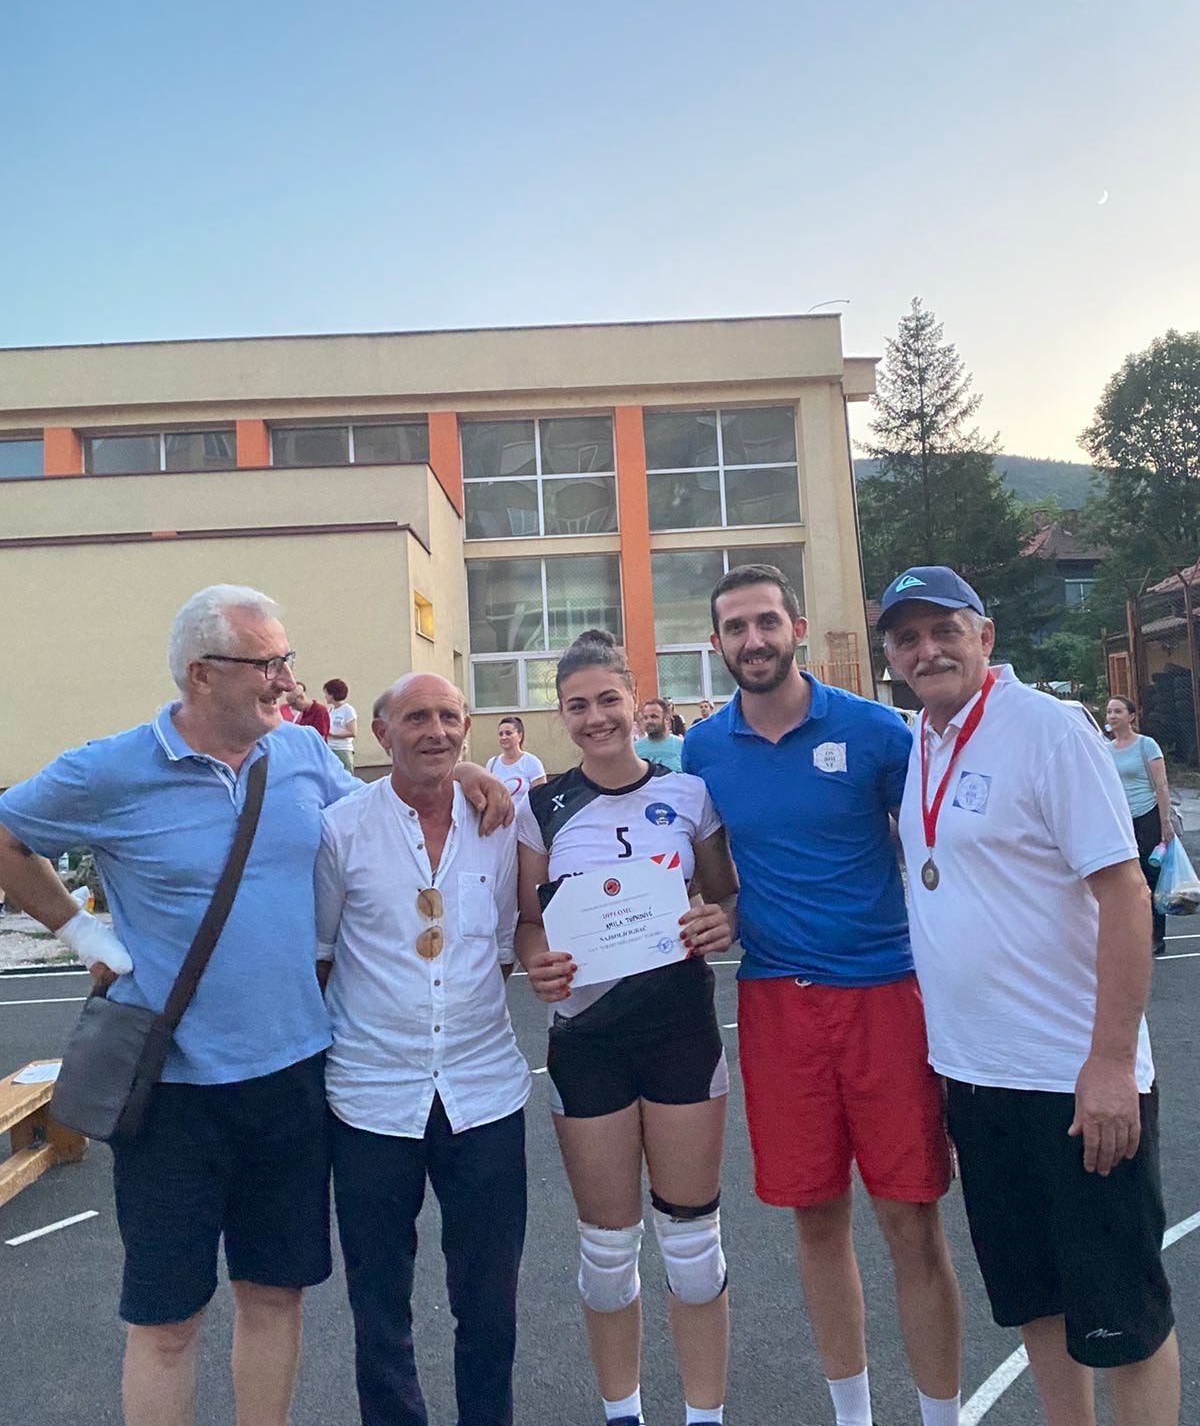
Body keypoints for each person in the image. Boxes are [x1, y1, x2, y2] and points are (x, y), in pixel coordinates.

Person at [0, 585, 512, 1426]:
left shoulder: (301, 755)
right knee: (167, 1321)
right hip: (170, 1092)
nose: (286, 680)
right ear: (200, 674)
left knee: (274, 1296)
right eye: (267, 663)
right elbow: (7, 836)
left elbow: (380, 814)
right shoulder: (109, 769)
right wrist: (80, 932)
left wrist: (462, 770)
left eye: (286, 660)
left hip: (292, 1080)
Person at [880, 565, 1179, 1426]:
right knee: (1036, 1305)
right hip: (978, 1079)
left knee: (1124, 1319)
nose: (928, 650)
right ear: (892, 655)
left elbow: (1124, 892)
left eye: (945, 630)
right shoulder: (920, 741)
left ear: (985, 635)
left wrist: (1111, 1064)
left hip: (1073, 1080)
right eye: (908, 637)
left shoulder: (1048, 729)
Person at [683, 564, 961, 1426]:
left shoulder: (876, 732)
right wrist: (724, 916)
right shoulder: (703, 750)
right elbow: (720, 882)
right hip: (777, 1006)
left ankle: (941, 1417)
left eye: (767, 622)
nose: (753, 639)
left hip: (884, 998)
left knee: (911, 1224)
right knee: (814, 1220)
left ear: (797, 628)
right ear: (718, 644)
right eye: (736, 627)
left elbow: (941, 848)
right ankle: (853, 1415)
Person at [514, 629, 738, 1426]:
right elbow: (528, 925)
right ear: (562, 714)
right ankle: (624, 1413)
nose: (597, 717)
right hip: (588, 1043)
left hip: (680, 1032)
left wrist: (720, 921)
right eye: (578, 705)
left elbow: (724, 896)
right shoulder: (541, 806)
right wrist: (538, 963)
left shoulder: (689, 793)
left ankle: (705, 1415)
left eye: (609, 698)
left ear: (634, 698)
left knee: (693, 1248)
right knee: (608, 1258)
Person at [317, 674, 529, 1426]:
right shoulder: (342, 829)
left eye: (448, 716)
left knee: (490, 1303)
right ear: (381, 734)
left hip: (484, 1093)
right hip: (371, 1098)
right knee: (379, 1305)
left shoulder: (500, 823)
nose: (435, 731)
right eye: (416, 718)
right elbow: (322, 954)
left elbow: (503, 946)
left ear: (466, 728)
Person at [1105, 694, 1175, 955]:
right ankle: (1135, 935)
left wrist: (1165, 822)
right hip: (1121, 820)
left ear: (1131, 716)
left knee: (1149, 876)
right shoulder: (1106, 750)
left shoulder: (1146, 745)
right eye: (1109, 712)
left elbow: (1161, 785)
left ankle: (1156, 935)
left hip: (1147, 816)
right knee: (1127, 878)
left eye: (1118, 711)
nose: (1112, 716)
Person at [486, 716, 547, 798]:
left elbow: (541, 797)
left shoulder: (532, 762)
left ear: (520, 736)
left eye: (508, 733)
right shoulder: (492, 763)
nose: (503, 737)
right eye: (501, 734)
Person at [632, 698, 685, 772]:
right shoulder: (634, 750)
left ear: (666, 719)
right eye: (645, 718)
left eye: (653, 716)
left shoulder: (683, 747)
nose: (648, 721)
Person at [325, 678, 358, 771]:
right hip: (330, 748)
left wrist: (333, 735)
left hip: (342, 749)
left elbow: (353, 732)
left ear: (332, 694)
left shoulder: (347, 710)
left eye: (326, 693)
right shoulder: (330, 710)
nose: (325, 696)